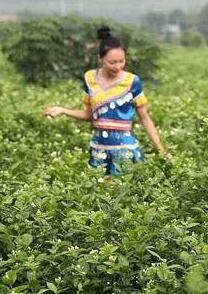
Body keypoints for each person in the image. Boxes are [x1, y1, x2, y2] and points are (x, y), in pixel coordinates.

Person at [42, 26, 166, 179]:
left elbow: (145, 118)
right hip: (98, 146)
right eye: (112, 62)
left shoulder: (132, 81)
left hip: (124, 147)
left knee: (123, 192)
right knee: (98, 192)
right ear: (100, 59)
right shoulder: (90, 79)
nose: (118, 66)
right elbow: (89, 115)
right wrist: (62, 110)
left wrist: (161, 149)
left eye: (122, 61)